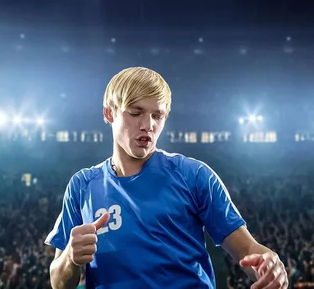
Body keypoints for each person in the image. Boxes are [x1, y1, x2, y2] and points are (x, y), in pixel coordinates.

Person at [45, 67, 288, 289]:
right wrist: (70, 257)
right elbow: (58, 282)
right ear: (109, 113)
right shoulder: (82, 186)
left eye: (157, 115)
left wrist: (268, 264)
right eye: (135, 112)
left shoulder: (194, 176)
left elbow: (248, 250)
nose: (147, 125)